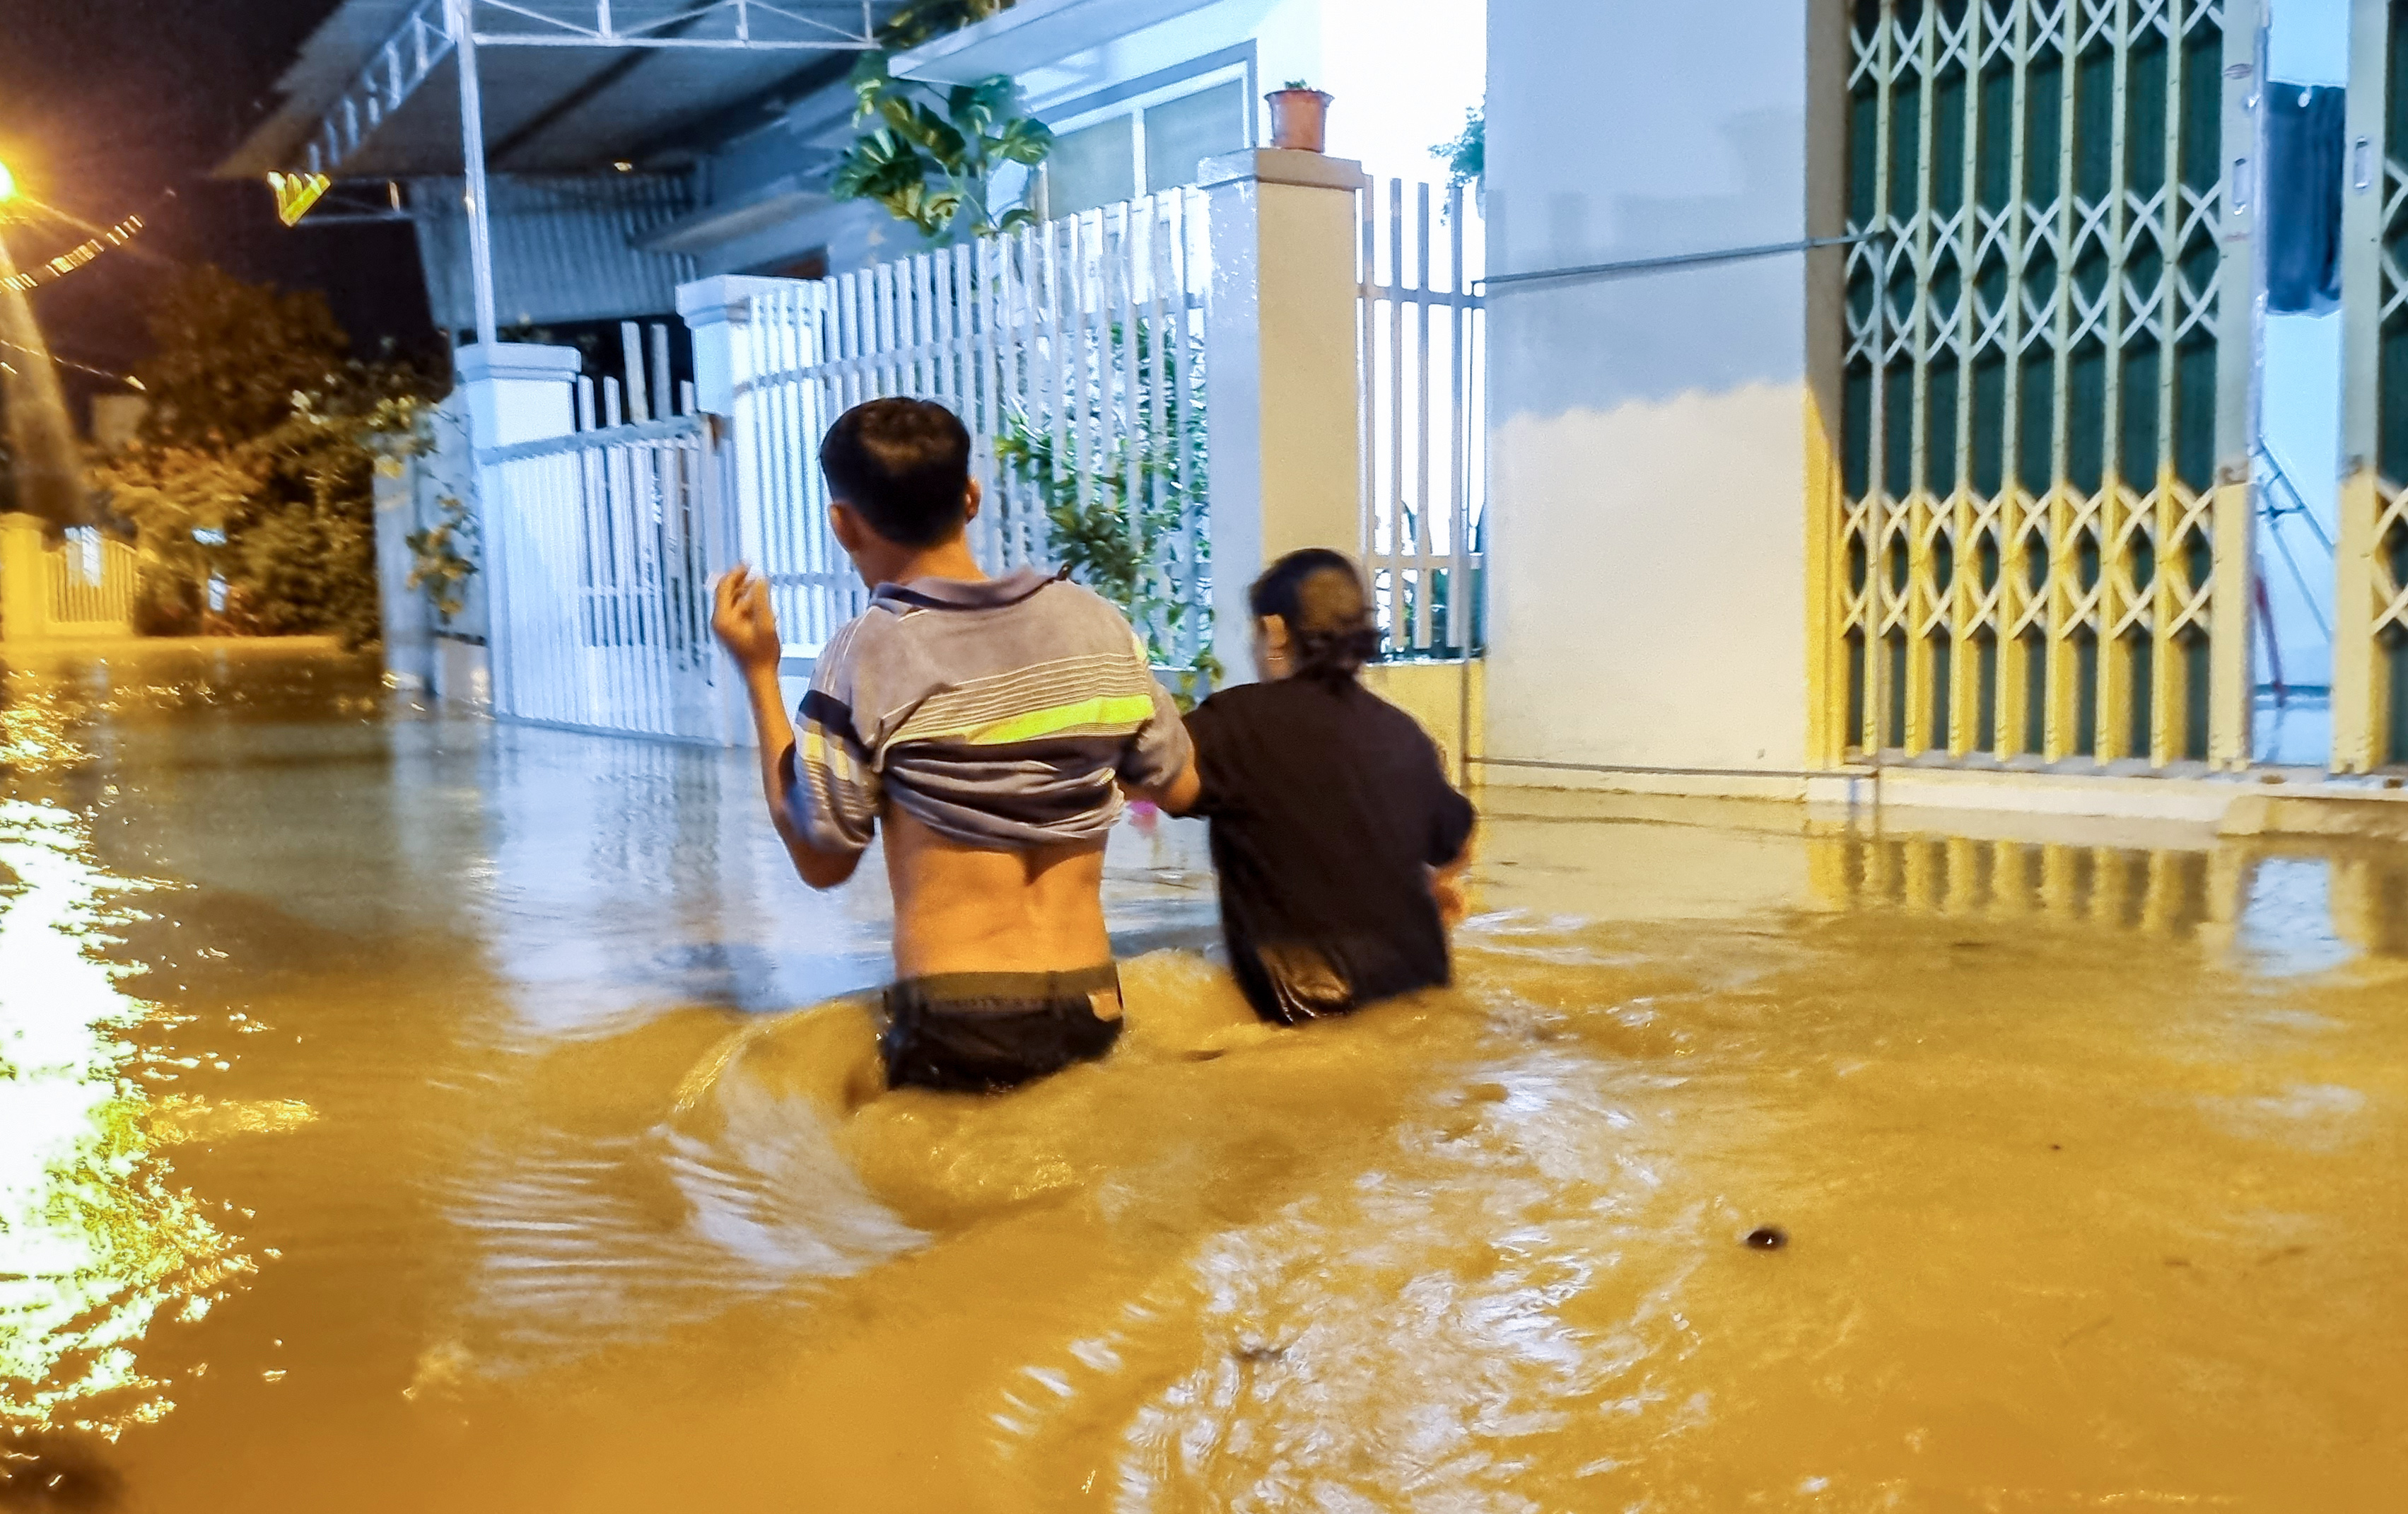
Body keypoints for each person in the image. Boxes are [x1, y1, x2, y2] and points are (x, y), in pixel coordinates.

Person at [709, 397, 1196, 1093]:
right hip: (1094, 996)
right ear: (971, 496)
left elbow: (822, 857)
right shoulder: (1099, 627)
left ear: (842, 523)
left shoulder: (868, 651)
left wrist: (758, 673)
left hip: (959, 1011)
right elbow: (1175, 787)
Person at [1165, 549, 1477, 1025]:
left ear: (1275, 630)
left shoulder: (1232, 725)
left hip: (1304, 1005)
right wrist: (1438, 884)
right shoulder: (1406, 736)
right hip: (1421, 989)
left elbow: (1158, 781)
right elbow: (1460, 838)